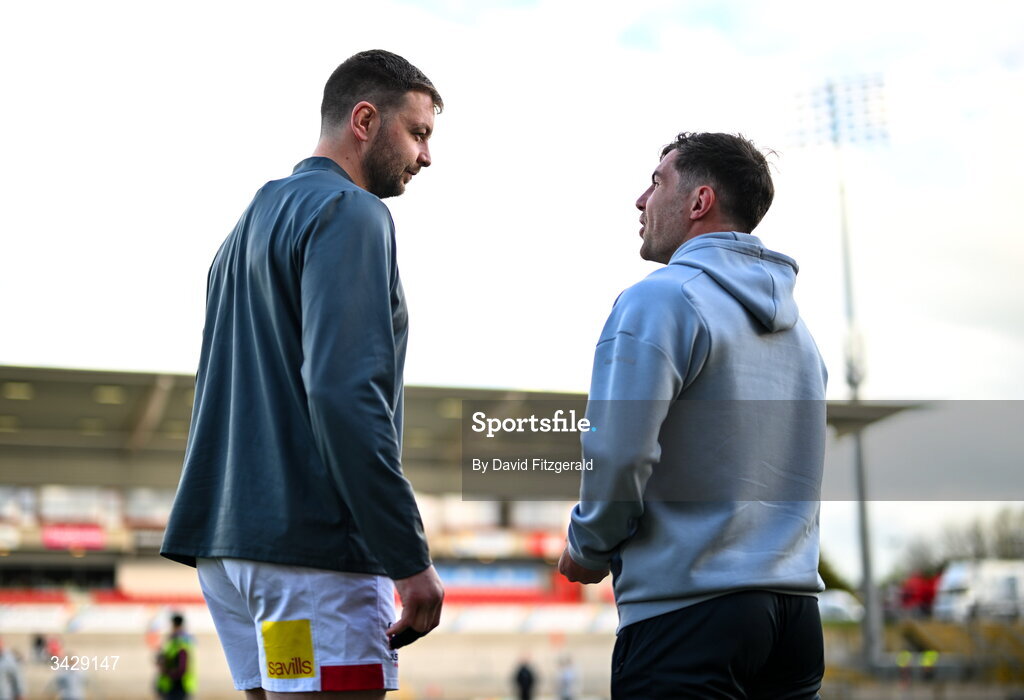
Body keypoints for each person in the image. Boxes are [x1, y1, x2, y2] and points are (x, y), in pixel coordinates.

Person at [160, 49, 445, 698]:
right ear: (365, 120)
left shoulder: (247, 225)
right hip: (312, 554)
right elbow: (344, 393)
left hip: (230, 549)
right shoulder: (352, 212)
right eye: (419, 133)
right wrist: (407, 556)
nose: (426, 156)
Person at [559, 132, 828, 698]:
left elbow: (619, 450)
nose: (640, 200)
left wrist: (588, 547)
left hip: (689, 615)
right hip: (796, 620)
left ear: (699, 201)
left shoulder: (661, 299)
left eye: (656, 183)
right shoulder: (802, 338)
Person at [155, 613, 195, 700]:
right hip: (174, 684)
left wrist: (167, 671)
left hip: (178, 685)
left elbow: (182, 666)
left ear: (174, 624)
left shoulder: (179, 641)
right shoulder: (178, 640)